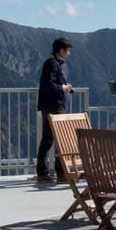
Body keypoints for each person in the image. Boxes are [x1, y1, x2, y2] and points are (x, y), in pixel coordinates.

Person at [35, 37, 75, 184]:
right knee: (61, 139)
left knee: (48, 139)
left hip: (48, 105)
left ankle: (42, 172)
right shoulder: (52, 63)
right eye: (68, 50)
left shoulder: (53, 62)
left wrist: (64, 85)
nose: (69, 53)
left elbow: (51, 82)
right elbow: (49, 84)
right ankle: (61, 173)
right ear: (61, 50)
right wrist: (62, 87)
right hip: (54, 105)